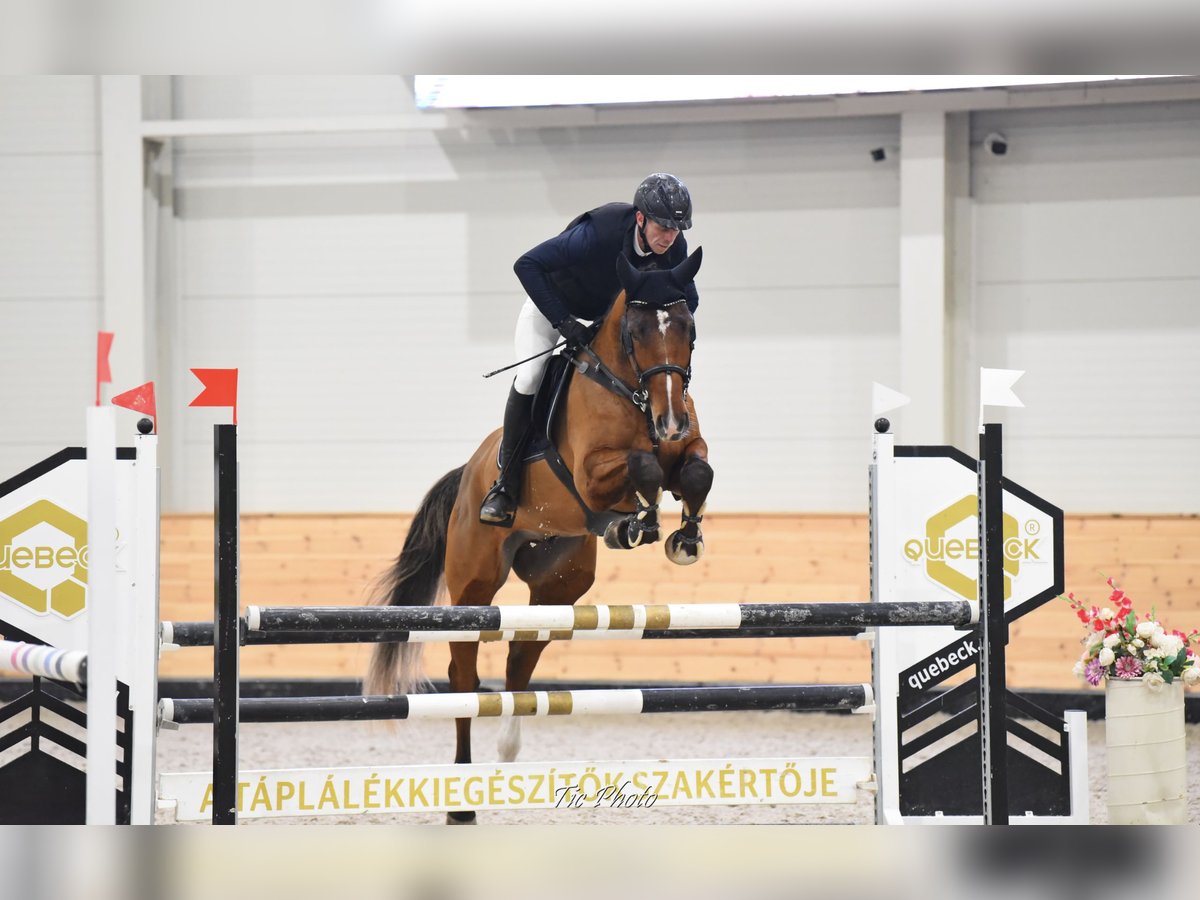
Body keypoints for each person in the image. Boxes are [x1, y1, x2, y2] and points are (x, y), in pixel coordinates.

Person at [479, 172, 700, 527]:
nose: (670, 237)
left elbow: (687, 300)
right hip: (554, 305)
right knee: (531, 377)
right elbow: (527, 264)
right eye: (662, 227)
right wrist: (564, 322)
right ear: (640, 219)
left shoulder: (675, 246)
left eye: (677, 229)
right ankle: (505, 485)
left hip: (604, 320)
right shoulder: (599, 233)